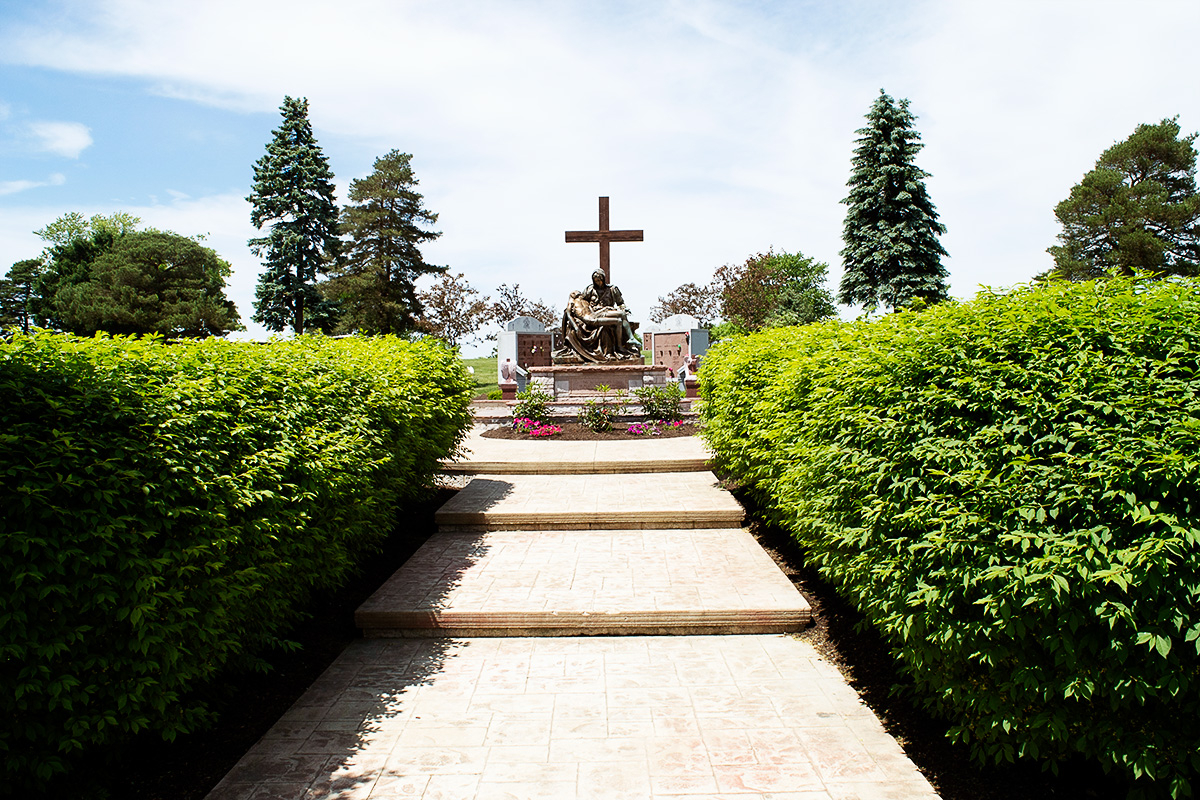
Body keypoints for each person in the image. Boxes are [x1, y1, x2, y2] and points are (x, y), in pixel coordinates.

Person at [555, 271, 642, 362]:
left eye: (599, 280)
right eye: (596, 281)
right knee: (610, 324)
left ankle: (626, 342)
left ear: (603, 279)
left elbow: (621, 303)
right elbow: (581, 303)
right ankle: (622, 344)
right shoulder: (589, 290)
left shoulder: (612, 289)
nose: (598, 283)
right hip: (594, 314)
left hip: (607, 311)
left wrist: (623, 308)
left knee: (621, 315)